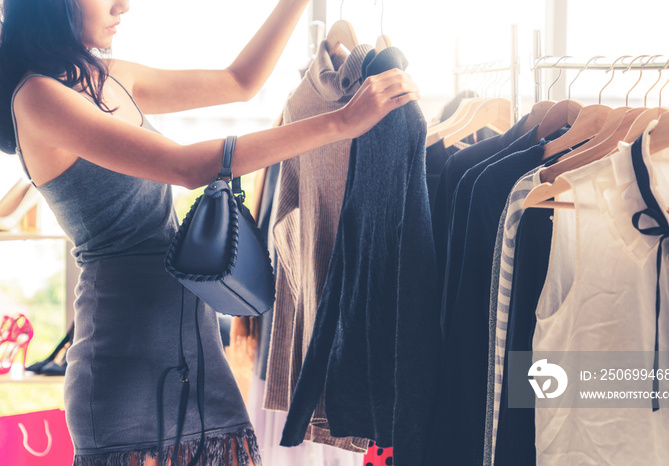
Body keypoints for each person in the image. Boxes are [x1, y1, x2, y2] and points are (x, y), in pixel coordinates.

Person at [0, 0, 420, 464]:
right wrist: (342, 122)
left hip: (198, 352)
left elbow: (240, 82)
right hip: (125, 362)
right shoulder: (36, 97)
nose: (124, 5)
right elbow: (184, 166)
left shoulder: (109, 76)